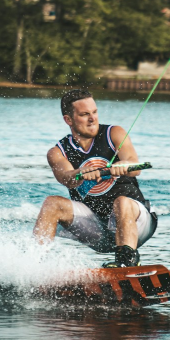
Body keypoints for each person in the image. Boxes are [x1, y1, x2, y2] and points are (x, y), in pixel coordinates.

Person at [33, 89, 157, 268]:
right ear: (69, 120)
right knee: (52, 204)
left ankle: (126, 263)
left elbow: (133, 165)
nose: (92, 119)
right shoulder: (57, 152)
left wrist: (123, 166)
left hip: (137, 224)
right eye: (84, 114)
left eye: (94, 112)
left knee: (121, 202)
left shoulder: (114, 133)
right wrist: (81, 173)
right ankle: (34, 265)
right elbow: (66, 178)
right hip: (97, 229)